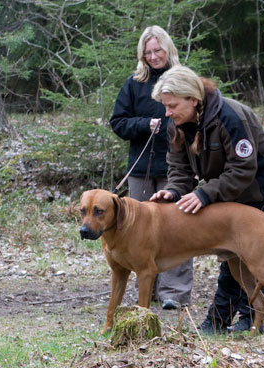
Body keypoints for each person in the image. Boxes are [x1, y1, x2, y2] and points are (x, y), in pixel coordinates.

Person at [149, 65, 264, 333]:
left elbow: (244, 169)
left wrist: (204, 193)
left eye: (172, 105)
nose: (167, 112)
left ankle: (223, 320)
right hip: (224, 185)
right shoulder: (176, 124)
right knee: (235, 257)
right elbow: (179, 168)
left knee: (243, 251)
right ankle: (246, 318)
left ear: (193, 100)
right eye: (165, 106)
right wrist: (174, 190)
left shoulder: (230, 117)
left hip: (257, 185)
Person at [109, 26, 193, 310]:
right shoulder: (133, 83)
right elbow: (118, 123)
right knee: (136, 231)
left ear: (168, 49)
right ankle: (148, 290)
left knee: (179, 230)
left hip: (177, 170)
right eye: (148, 52)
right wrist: (144, 124)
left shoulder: (182, 79)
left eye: (158, 50)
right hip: (141, 169)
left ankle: (175, 293)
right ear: (142, 55)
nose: (154, 56)